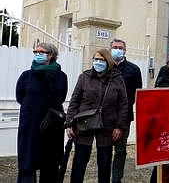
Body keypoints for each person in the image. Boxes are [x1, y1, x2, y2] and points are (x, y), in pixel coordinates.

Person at [65, 48, 128, 183]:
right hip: (84, 123)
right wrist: (70, 123)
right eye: (96, 59)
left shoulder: (117, 78)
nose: (98, 62)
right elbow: (75, 100)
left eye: (101, 60)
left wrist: (119, 126)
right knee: (79, 162)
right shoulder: (84, 77)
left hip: (108, 125)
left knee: (104, 164)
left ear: (108, 61)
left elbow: (123, 104)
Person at [16, 43, 68, 182]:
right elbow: (20, 96)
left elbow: (61, 96)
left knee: (50, 163)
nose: (37, 54)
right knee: (27, 163)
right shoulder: (26, 75)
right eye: (36, 51)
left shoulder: (61, 76)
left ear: (51, 55)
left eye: (41, 51)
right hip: (30, 125)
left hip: (52, 125)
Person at [110, 39, 143, 183]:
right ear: (110, 49)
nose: (118, 50)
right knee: (104, 149)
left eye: (120, 48)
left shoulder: (133, 69)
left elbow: (138, 91)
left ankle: (116, 179)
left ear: (125, 50)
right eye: (115, 47)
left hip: (124, 116)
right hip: (105, 115)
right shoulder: (105, 66)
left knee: (120, 149)